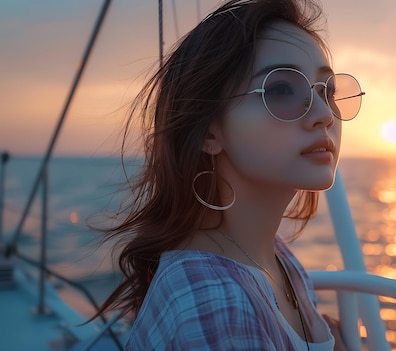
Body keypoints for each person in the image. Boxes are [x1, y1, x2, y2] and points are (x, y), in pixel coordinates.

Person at [94, 0, 364, 349]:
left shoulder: (274, 256)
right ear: (209, 130)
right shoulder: (217, 307)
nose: (325, 114)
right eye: (281, 89)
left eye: (328, 91)